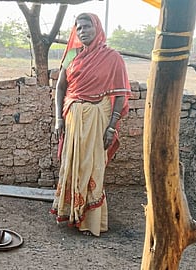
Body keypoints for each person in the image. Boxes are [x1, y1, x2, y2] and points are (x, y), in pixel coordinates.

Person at [50, 13, 131, 237]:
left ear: (97, 28)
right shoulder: (71, 57)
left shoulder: (112, 57)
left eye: (87, 27)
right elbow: (60, 87)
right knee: (72, 163)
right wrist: (58, 118)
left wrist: (112, 127)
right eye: (79, 28)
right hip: (73, 118)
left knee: (92, 165)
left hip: (98, 118)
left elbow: (121, 94)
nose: (83, 31)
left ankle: (89, 220)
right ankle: (69, 213)